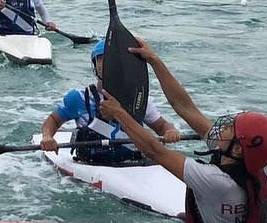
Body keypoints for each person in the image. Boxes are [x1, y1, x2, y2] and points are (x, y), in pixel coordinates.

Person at [99, 38, 267, 223]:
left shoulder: (218, 182)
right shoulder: (246, 167)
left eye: (231, 128)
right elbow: (185, 108)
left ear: (238, 148)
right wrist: (154, 60)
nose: (224, 126)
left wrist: (119, 113)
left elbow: (155, 151)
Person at [39, 38, 181, 166]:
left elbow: (161, 126)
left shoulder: (139, 99)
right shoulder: (79, 98)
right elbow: (53, 120)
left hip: (135, 163)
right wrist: (47, 136)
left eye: (114, 60)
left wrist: (170, 131)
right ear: (95, 66)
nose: (109, 65)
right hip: (92, 165)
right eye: (103, 60)